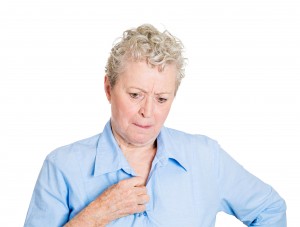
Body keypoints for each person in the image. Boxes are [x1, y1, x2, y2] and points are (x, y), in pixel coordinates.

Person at [24, 24, 286, 227]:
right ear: (108, 88)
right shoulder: (62, 167)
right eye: (135, 95)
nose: (148, 112)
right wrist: (95, 215)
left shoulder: (205, 157)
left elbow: (270, 210)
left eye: (161, 99)